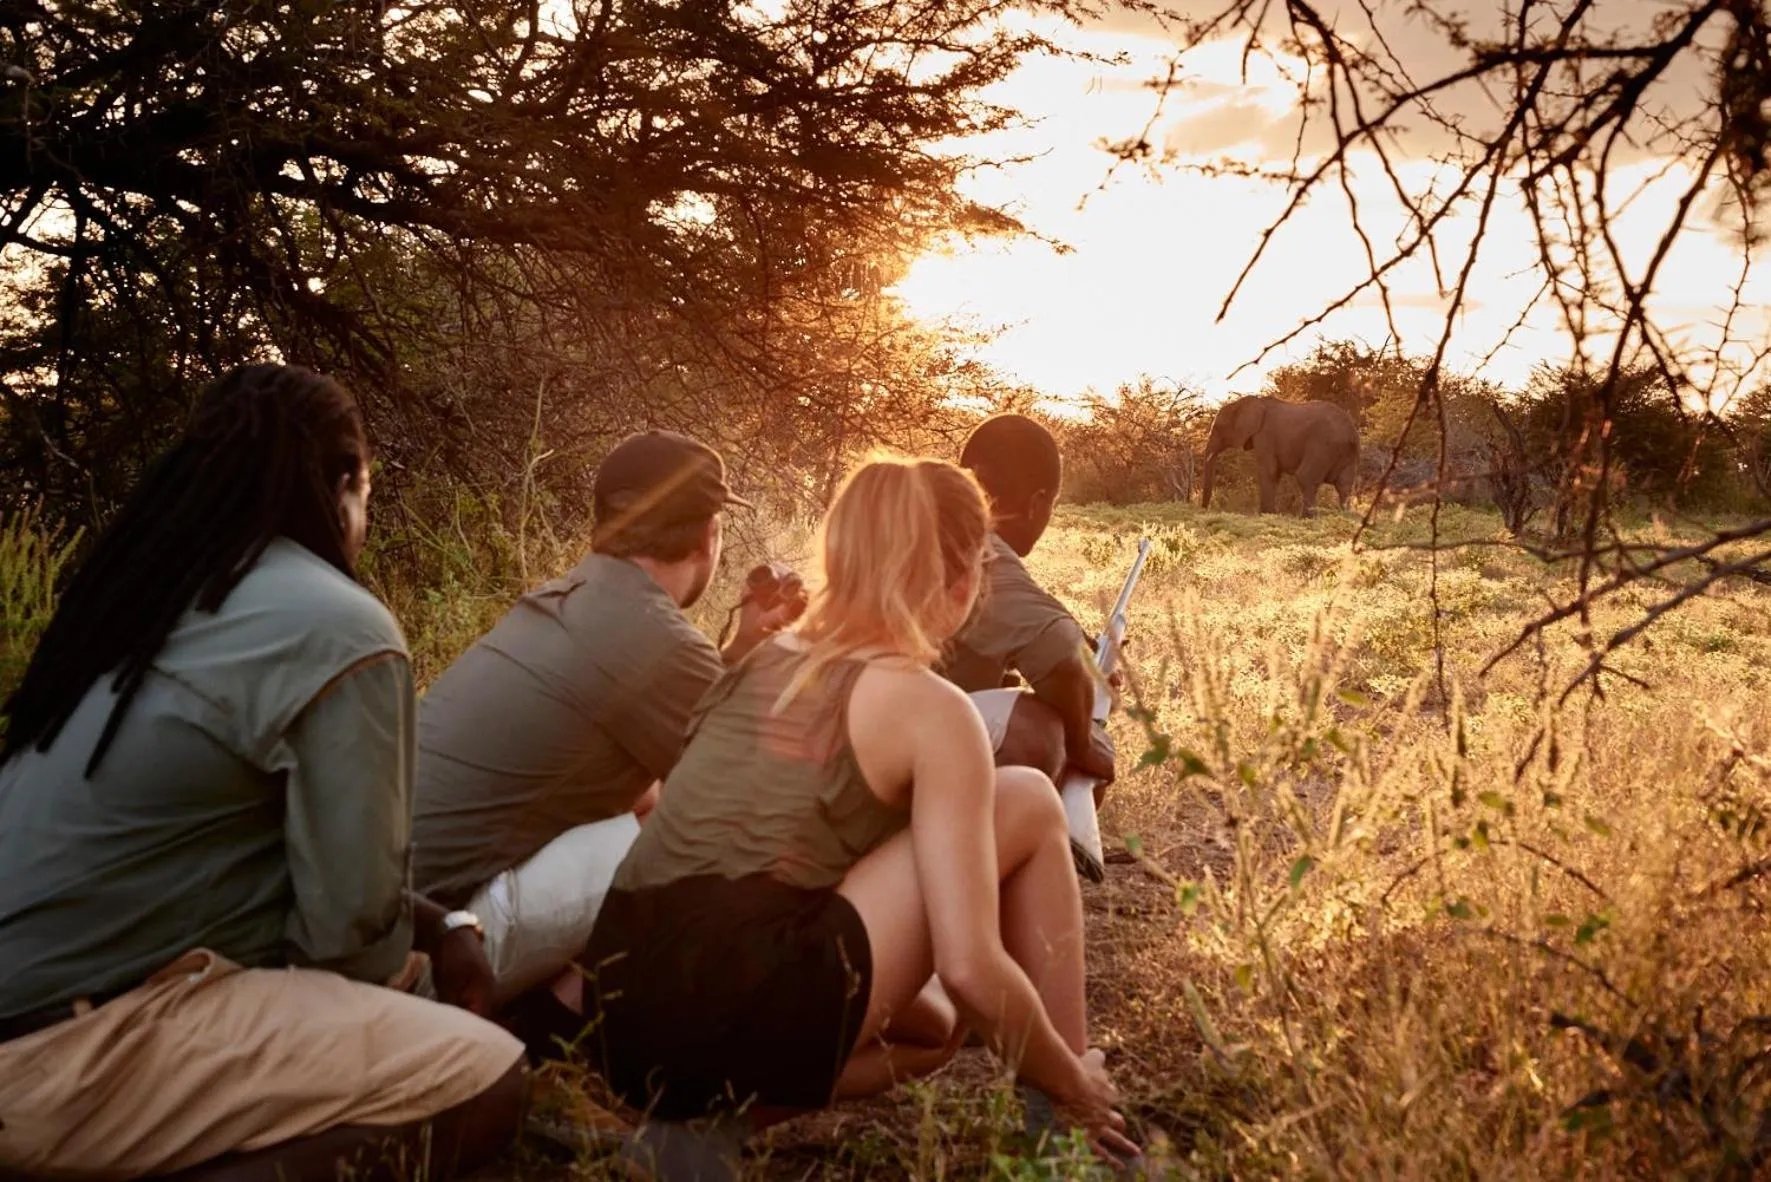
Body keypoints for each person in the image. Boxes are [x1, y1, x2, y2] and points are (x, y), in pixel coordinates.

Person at [0, 364, 527, 1181]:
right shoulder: (342, 625)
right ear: (347, 482)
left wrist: (442, 925)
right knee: (478, 1074)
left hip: (37, 1019)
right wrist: (417, 959)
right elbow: (347, 945)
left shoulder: (143, 601)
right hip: (62, 1058)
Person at [578, 454, 1143, 1180]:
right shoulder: (930, 709)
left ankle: (693, 1133)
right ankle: (1073, 1137)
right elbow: (970, 968)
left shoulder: (764, 658)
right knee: (1031, 800)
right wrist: (1075, 1081)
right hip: (729, 999)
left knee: (934, 1030)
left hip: (620, 1012)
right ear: (966, 579)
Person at [410, 429, 804, 1022]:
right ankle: (556, 1028)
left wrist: (742, 645)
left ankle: (558, 1010)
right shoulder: (656, 641)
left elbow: (656, 706)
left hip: (386, 916)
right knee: (704, 837)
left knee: (644, 798)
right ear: (707, 533)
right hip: (437, 952)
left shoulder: (563, 598)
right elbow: (770, 795)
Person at [938, 413, 1119, 807]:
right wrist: (1082, 739)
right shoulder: (979, 548)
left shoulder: (920, 522)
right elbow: (1064, 658)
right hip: (881, 738)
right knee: (1041, 730)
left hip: (840, 727)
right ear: (1037, 503)